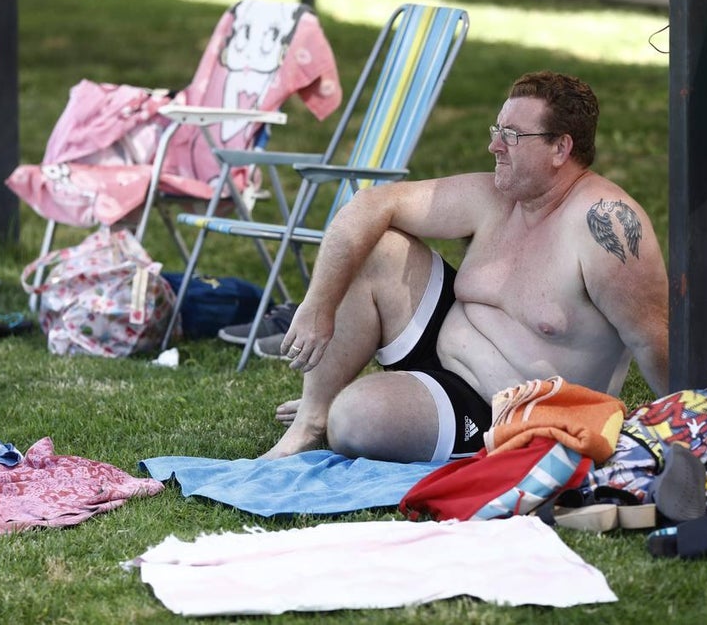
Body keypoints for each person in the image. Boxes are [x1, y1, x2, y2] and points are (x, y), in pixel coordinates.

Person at [263, 70, 669, 463]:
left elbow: (656, 340)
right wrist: (318, 305)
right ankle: (309, 422)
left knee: (354, 420)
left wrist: (693, 428)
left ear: (560, 149)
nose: (495, 146)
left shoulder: (605, 225)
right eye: (497, 131)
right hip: (443, 344)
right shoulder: (497, 196)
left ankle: (349, 411)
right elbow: (371, 204)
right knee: (376, 247)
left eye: (512, 136)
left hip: (504, 410)